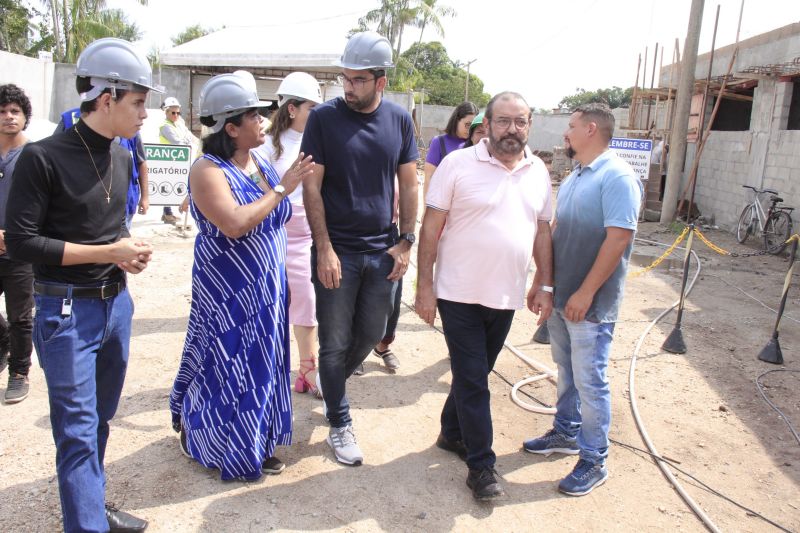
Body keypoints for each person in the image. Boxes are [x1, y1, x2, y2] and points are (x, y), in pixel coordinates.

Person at [5, 37, 158, 533]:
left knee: (100, 420)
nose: (144, 114)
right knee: (75, 432)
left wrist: (125, 254)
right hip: (65, 313)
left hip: (115, 307)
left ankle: (92, 505)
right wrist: (107, 253)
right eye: (138, 102)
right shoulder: (43, 158)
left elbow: (107, 228)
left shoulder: (120, 156)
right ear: (107, 97)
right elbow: (24, 243)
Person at [169, 71, 315, 481]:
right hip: (229, 293)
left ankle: (252, 442)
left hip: (265, 292)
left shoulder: (260, 163)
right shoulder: (207, 170)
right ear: (231, 127)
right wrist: (283, 189)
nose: (263, 121)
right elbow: (234, 223)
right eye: (254, 116)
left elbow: (274, 224)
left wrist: (281, 279)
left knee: (261, 366)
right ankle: (204, 439)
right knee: (224, 366)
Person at [415, 91, 554, 501]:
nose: (513, 130)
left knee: (475, 372)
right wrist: (425, 287)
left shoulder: (538, 171)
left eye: (521, 122)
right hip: (458, 292)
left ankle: (451, 432)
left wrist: (543, 282)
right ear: (487, 125)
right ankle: (481, 466)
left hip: (506, 294)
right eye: (504, 121)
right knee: (475, 380)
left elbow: (543, 229)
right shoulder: (458, 165)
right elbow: (431, 227)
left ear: (530, 126)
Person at [301, 30, 419, 466]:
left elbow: (409, 183)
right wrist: (325, 249)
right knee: (332, 343)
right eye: (344, 79)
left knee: (370, 334)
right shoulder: (324, 120)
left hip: (383, 251)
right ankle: (339, 420)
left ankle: (330, 385)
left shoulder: (399, 120)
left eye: (358, 80)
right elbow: (311, 190)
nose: (348, 87)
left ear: (380, 82)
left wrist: (407, 240)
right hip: (339, 251)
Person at [522, 103, 642, 497]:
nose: (565, 134)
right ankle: (566, 432)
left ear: (591, 130)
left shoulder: (617, 176)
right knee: (567, 372)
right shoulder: (575, 176)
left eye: (571, 127)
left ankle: (594, 459)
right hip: (562, 298)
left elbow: (619, 238)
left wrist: (586, 292)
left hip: (589, 304)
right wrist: (544, 283)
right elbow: (556, 232)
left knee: (591, 382)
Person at [255, 72, 324, 398]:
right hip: (275, 232)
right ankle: (272, 369)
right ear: (292, 108)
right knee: (274, 303)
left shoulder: (319, 140)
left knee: (308, 303)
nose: (317, 113)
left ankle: (307, 369)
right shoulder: (265, 145)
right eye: (312, 106)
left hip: (309, 234)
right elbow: (259, 191)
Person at [55, 109, 149, 230]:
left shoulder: (131, 126)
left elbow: (141, 162)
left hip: (125, 204)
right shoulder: (69, 119)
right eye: (136, 103)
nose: (143, 113)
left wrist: (145, 197)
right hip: (82, 206)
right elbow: (54, 158)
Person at [0, 84, 34, 404]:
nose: (9, 117)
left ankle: (19, 373)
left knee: (21, 315)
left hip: (21, 248)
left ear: (25, 117)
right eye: (2, 111)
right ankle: (2, 346)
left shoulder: (35, 155)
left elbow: (42, 205)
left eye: (15, 111)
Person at [158, 97, 200, 224]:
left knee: (177, 185)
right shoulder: (164, 126)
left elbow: (190, 137)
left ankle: (170, 212)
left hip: (179, 160)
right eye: (173, 113)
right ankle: (167, 213)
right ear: (166, 112)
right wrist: (186, 140)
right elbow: (178, 142)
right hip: (169, 161)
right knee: (168, 186)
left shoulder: (179, 125)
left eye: (178, 113)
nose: (176, 115)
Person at [423, 101, 478, 195]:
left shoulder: (476, 144)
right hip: (443, 204)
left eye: (473, 126)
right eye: (467, 125)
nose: (470, 130)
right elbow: (429, 178)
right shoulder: (439, 142)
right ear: (457, 120)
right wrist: (426, 207)